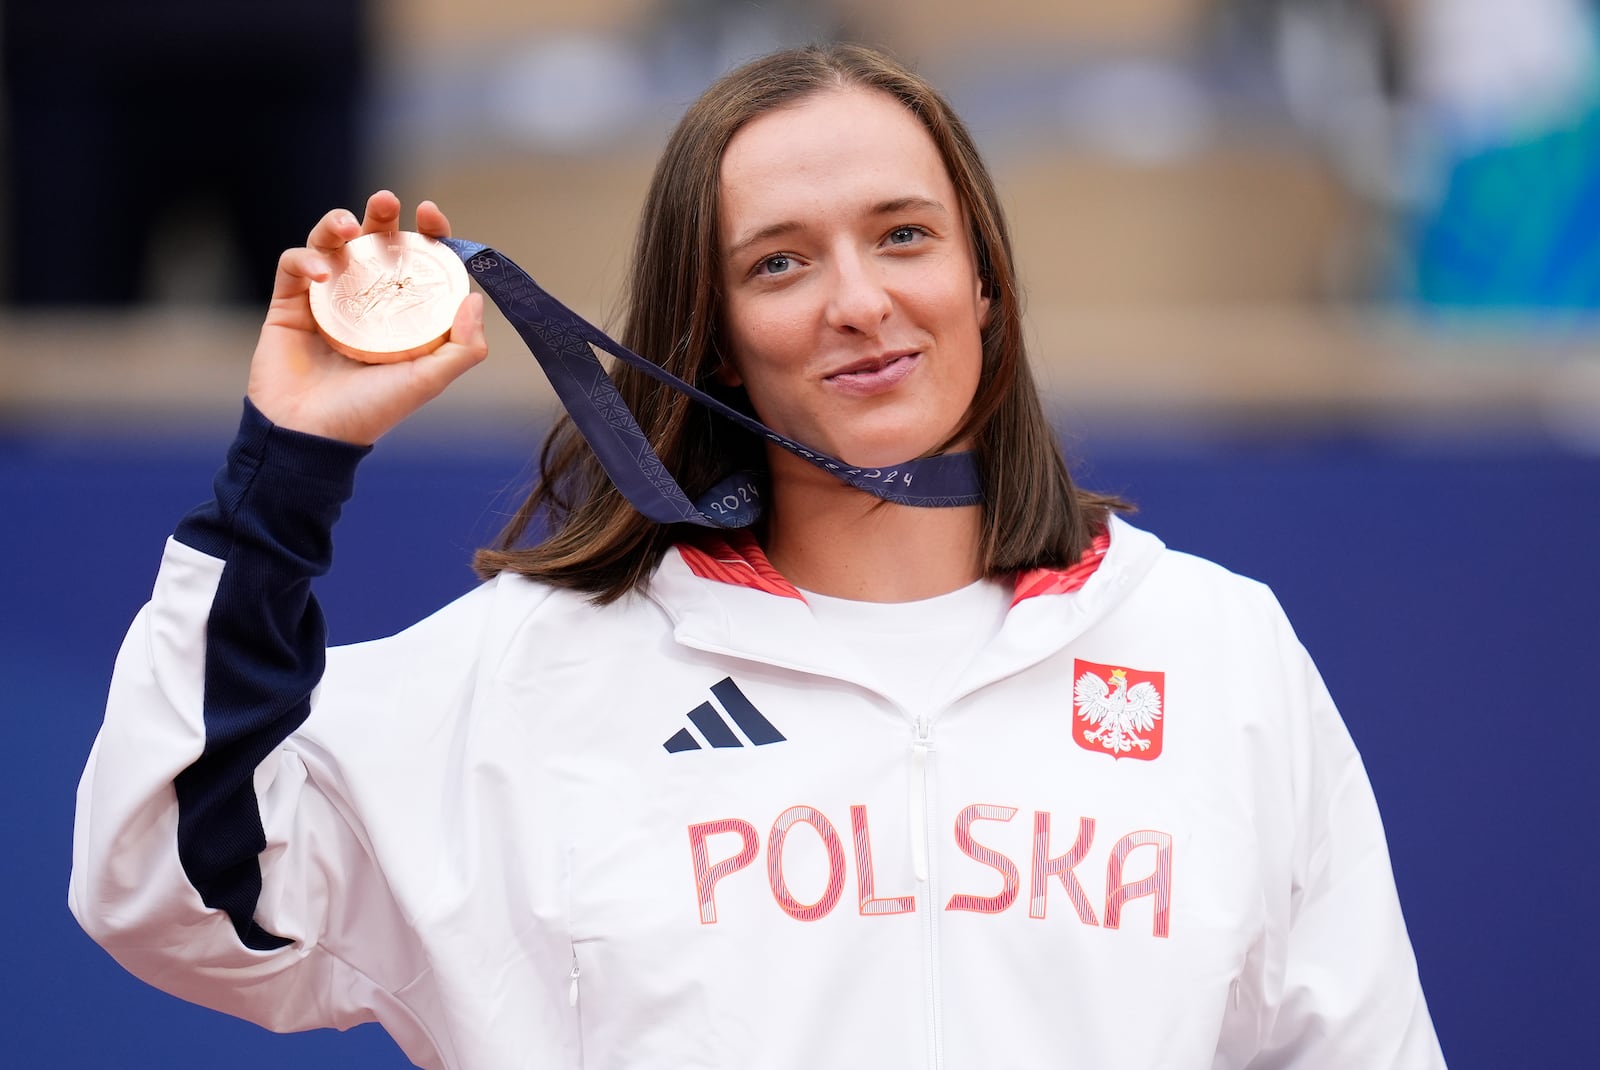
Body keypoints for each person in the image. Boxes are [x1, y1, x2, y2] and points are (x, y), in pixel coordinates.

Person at [69, 44, 1446, 1070]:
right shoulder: (537, 672)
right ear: (711, 330)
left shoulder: (1212, 652)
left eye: (904, 236)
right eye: (780, 264)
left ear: (985, 283)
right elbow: (173, 885)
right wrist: (285, 465)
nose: (861, 302)